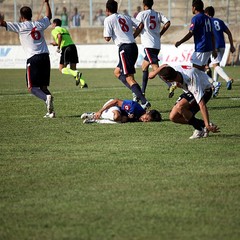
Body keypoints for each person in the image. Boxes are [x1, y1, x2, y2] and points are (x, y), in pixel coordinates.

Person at [0, 0, 55, 118]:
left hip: (33, 59)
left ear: (21, 16)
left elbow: (2, 23)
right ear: (30, 15)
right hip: (45, 57)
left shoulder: (20, 26)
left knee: (32, 88)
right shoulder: (39, 24)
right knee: (44, 87)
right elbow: (49, 16)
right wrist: (47, 3)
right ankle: (51, 112)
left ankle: (46, 98)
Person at [149, 64, 220, 139]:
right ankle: (202, 125)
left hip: (204, 90)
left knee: (180, 107)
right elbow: (154, 73)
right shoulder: (172, 69)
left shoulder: (191, 81)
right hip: (189, 91)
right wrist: (156, 72)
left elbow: (202, 105)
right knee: (173, 117)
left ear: (169, 80)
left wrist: (208, 124)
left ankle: (200, 129)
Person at [104, 0, 150, 110]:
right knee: (117, 72)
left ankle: (143, 101)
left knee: (128, 77)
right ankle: (136, 93)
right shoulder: (125, 16)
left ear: (107, 10)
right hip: (133, 47)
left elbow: (107, 38)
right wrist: (133, 35)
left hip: (124, 48)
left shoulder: (108, 19)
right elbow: (141, 24)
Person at [136, 0, 174, 99]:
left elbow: (138, 26)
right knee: (144, 66)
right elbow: (168, 23)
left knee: (156, 69)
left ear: (144, 4)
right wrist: (160, 33)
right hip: (156, 45)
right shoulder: (157, 14)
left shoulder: (141, 14)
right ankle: (143, 92)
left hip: (148, 45)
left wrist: (134, 35)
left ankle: (170, 83)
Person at [175, 0, 217, 71]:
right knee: (201, 70)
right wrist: (213, 49)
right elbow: (212, 35)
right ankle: (211, 82)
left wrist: (180, 42)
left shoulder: (196, 18)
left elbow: (191, 33)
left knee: (195, 70)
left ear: (194, 8)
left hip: (201, 48)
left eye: (192, 7)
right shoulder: (208, 18)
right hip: (208, 48)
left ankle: (213, 82)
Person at [204, 6, 235, 96]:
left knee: (215, 65)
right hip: (222, 45)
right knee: (216, 66)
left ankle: (227, 79)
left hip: (214, 46)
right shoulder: (220, 21)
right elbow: (229, 33)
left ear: (206, 13)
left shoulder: (207, 22)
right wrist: (232, 45)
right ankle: (215, 89)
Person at [51, 18, 88, 88]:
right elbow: (64, 39)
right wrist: (56, 44)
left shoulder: (54, 30)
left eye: (52, 24)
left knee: (61, 69)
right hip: (73, 47)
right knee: (73, 68)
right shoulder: (65, 29)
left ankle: (76, 73)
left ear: (55, 24)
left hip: (66, 48)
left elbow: (59, 36)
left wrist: (58, 47)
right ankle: (83, 84)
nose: (52, 25)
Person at [81, 98, 162, 124]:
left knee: (123, 119)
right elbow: (116, 101)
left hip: (118, 114)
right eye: (146, 118)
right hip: (111, 106)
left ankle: (96, 121)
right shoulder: (134, 106)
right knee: (117, 116)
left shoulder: (138, 117)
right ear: (147, 112)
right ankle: (94, 114)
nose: (144, 121)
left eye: (147, 121)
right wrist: (100, 111)